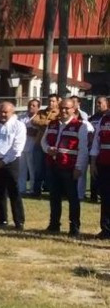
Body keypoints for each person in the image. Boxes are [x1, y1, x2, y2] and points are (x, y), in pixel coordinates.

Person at [42, 98, 90, 236]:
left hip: (69, 166)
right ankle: (54, 225)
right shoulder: (52, 124)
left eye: (67, 108)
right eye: (62, 108)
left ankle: (74, 227)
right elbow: (43, 141)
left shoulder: (80, 126)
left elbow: (83, 149)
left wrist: (78, 167)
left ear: (73, 110)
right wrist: (47, 149)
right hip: (53, 165)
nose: (63, 111)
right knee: (54, 197)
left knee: (72, 198)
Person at [0, 101, 26, 229]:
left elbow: (17, 148)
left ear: (12, 112)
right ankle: (1, 219)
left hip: (10, 162)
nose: (2, 114)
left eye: (5, 112)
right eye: (0, 111)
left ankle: (19, 221)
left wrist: (3, 162)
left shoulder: (18, 126)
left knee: (14, 191)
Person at [30, 94, 61, 196]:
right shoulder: (41, 112)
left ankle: (49, 189)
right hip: (39, 144)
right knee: (38, 168)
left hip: (51, 145)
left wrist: (43, 123)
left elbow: (56, 123)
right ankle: (36, 190)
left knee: (50, 168)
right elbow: (34, 121)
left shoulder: (59, 114)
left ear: (57, 102)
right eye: (49, 101)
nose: (51, 103)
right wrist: (46, 122)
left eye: (53, 101)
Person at [90, 97, 110, 239]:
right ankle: (106, 229)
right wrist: (93, 162)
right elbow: (96, 142)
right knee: (105, 197)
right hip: (103, 163)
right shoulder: (103, 120)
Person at [18, 99, 42, 196]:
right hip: (21, 146)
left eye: (33, 105)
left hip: (33, 147)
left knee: (32, 169)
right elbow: (19, 130)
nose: (31, 107)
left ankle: (32, 189)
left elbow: (36, 132)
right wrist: (27, 131)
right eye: (30, 105)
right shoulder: (21, 117)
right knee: (21, 169)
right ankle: (21, 188)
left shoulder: (39, 118)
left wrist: (31, 131)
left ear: (38, 107)